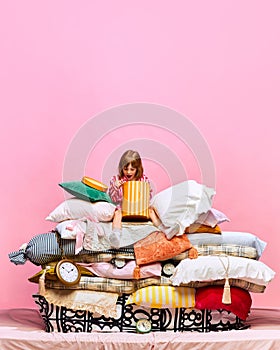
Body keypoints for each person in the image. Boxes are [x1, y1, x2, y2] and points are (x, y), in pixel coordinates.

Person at [108, 150, 152, 248]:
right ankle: (116, 235)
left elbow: (148, 199)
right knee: (117, 212)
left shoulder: (143, 179)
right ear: (121, 168)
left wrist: (147, 192)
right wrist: (115, 187)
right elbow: (112, 199)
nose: (128, 172)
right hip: (123, 210)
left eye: (132, 169)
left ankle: (166, 230)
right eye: (125, 169)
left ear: (137, 169)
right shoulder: (116, 180)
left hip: (139, 210)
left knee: (152, 211)